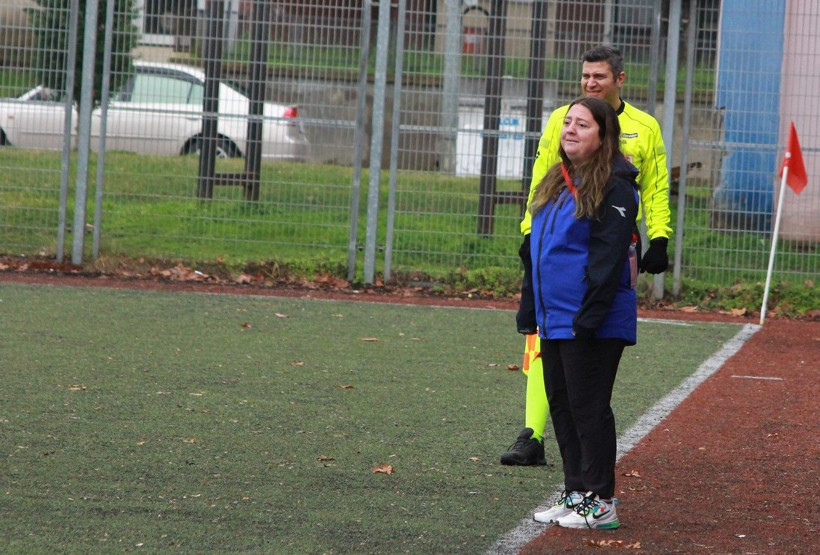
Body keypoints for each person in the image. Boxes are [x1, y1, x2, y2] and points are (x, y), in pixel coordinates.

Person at [501, 45, 672, 466]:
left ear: (619, 79)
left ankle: (590, 471)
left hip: (605, 248)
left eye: (599, 77)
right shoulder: (560, 119)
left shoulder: (644, 127)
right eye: (586, 77)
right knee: (544, 338)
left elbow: (654, 186)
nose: (590, 83)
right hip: (555, 247)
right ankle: (533, 433)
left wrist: (660, 236)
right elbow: (544, 176)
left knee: (587, 349)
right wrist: (529, 232)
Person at [528, 97, 638, 529]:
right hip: (554, 317)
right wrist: (528, 306)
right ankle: (576, 492)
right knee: (562, 404)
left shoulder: (615, 186)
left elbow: (608, 259)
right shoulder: (557, 179)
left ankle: (601, 500)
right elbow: (535, 250)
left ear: (603, 136)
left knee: (589, 407)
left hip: (592, 320)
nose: (570, 129)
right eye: (567, 122)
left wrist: (588, 318)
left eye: (582, 125)